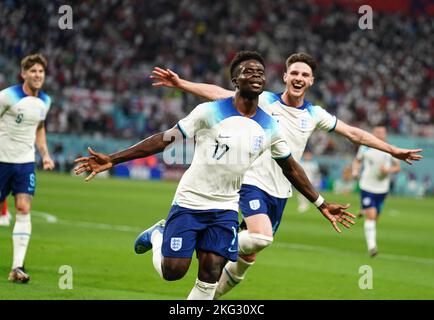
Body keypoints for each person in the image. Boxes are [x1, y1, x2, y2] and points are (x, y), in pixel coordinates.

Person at [74, 51, 355, 300]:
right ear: (235, 80)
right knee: (173, 272)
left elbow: (290, 166)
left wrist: (321, 204)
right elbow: (165, 139)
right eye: (248, 71)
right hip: (191, 202)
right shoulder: (209, 112)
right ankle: (159, 234)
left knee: (210, 276)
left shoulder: (269, 126)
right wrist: (112, 158)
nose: (256, 75)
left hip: (225, 209)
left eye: (260, 72)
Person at [150, 52, 423, 299]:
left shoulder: (314, 114)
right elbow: (219, 93)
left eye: (304, 74)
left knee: (248, 259)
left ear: (312, 81)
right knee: (260, 237)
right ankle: (213, 241)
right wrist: (181, 83)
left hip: (281, 192)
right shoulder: (264, 101)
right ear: (285, 77)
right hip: (251, 183)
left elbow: (354, 133)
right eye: (294, 73)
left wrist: (392, 150)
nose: (299, 78)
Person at [0, 53, 55, 283]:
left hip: (24, 163)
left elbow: (39, 128)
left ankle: (17, 267)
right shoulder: (7, 96)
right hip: (2, 160)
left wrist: (45, 155)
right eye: (33, 71)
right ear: (23, 74)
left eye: (41, 71)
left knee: (23, 208)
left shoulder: (45, 101)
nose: (37, 75)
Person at [352, 126, 400, 257]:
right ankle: (372, 247)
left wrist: (388, 171)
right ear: (373, 133)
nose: (379, 134)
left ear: (385, 134)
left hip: (382, 189)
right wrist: (355, 171)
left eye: (382, 132)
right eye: (377, 132)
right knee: (371, 216)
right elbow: (357, 160)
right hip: (367, 186)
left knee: (375, 217)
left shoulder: (391, 148)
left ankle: (364, 209)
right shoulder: (365, 147)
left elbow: (397, 167)